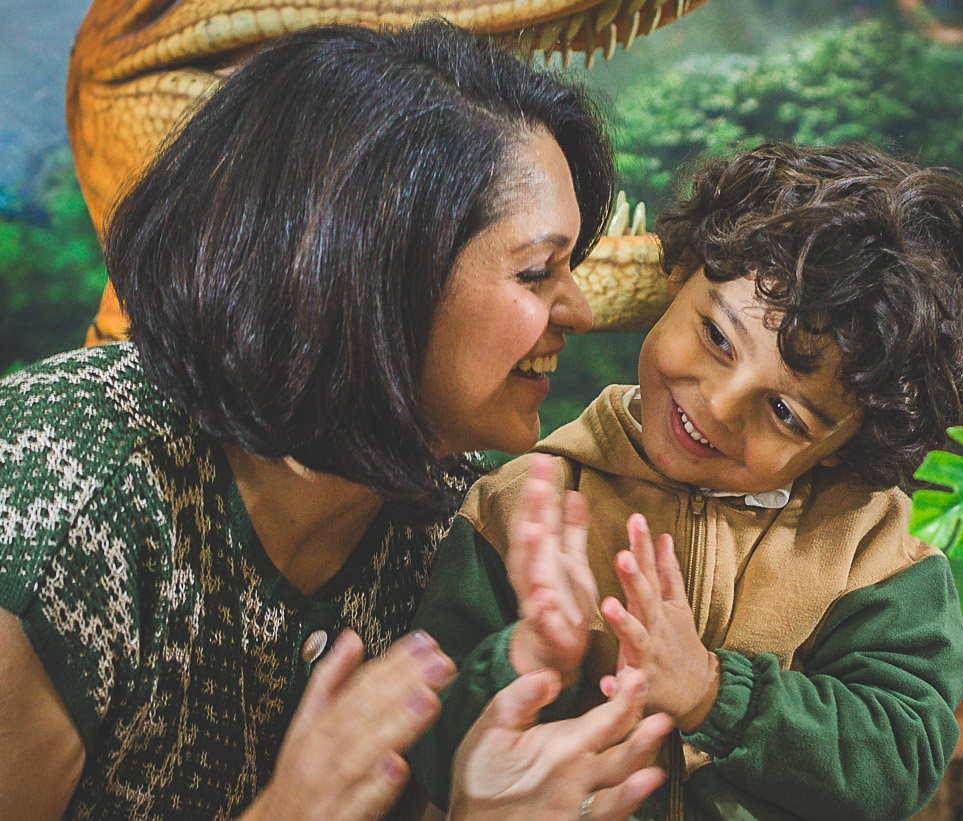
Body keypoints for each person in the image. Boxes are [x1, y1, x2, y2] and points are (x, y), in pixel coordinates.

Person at [0, 21, 671, 821]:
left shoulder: (453, 514)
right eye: (537, 271)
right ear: (377, 269)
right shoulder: (62, 483)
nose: (581, 309)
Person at [409, 142, 963, 820]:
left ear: (845, 445)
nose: (721, 405)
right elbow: (435, 760)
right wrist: (531, 657)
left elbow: (900, 757)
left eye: (786, 413)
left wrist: (714, 691)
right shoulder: (521, 507)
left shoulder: (878, 552)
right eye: (717, 337)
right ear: (680, 274)